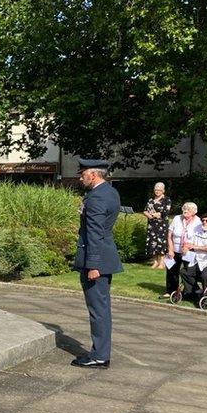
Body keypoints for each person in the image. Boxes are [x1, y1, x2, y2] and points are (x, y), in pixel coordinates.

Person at [71, 158, 122, 369]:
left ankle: (100, 356)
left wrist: (93, 265)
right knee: (101, 308)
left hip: (97, 261)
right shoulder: (109, 192)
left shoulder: (97, 198)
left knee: (98, 310)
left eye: (82, 173)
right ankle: (100, 352)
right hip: (103, 257)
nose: (80, 176)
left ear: (93, 174)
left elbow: (95, 234)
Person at [164, 201, 200, 298]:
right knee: (171, 269)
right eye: (184, 209)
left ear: (194, 212)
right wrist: (170, 249)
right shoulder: (177, 218)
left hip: (189, 251)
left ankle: (188, 292)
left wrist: (189, 246)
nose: (185, 211)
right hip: (175, 249)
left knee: (188, 271)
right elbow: (169, 235)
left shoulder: (198, 222)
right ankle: (170, 290)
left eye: (188, 210)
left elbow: (199, 239)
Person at [143, 182, 172, 269]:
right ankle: (155, 262)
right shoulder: (151, 200)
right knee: (152, 242)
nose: (157, 191)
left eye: (159, 190)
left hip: (161, 225)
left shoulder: (166, 200)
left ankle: (162, 263)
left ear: (163, 191)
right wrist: (148, 214)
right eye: (156, 190)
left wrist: (155, 215)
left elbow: (165, 212)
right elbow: (145, 210)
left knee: (161, 243)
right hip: (152, 225)